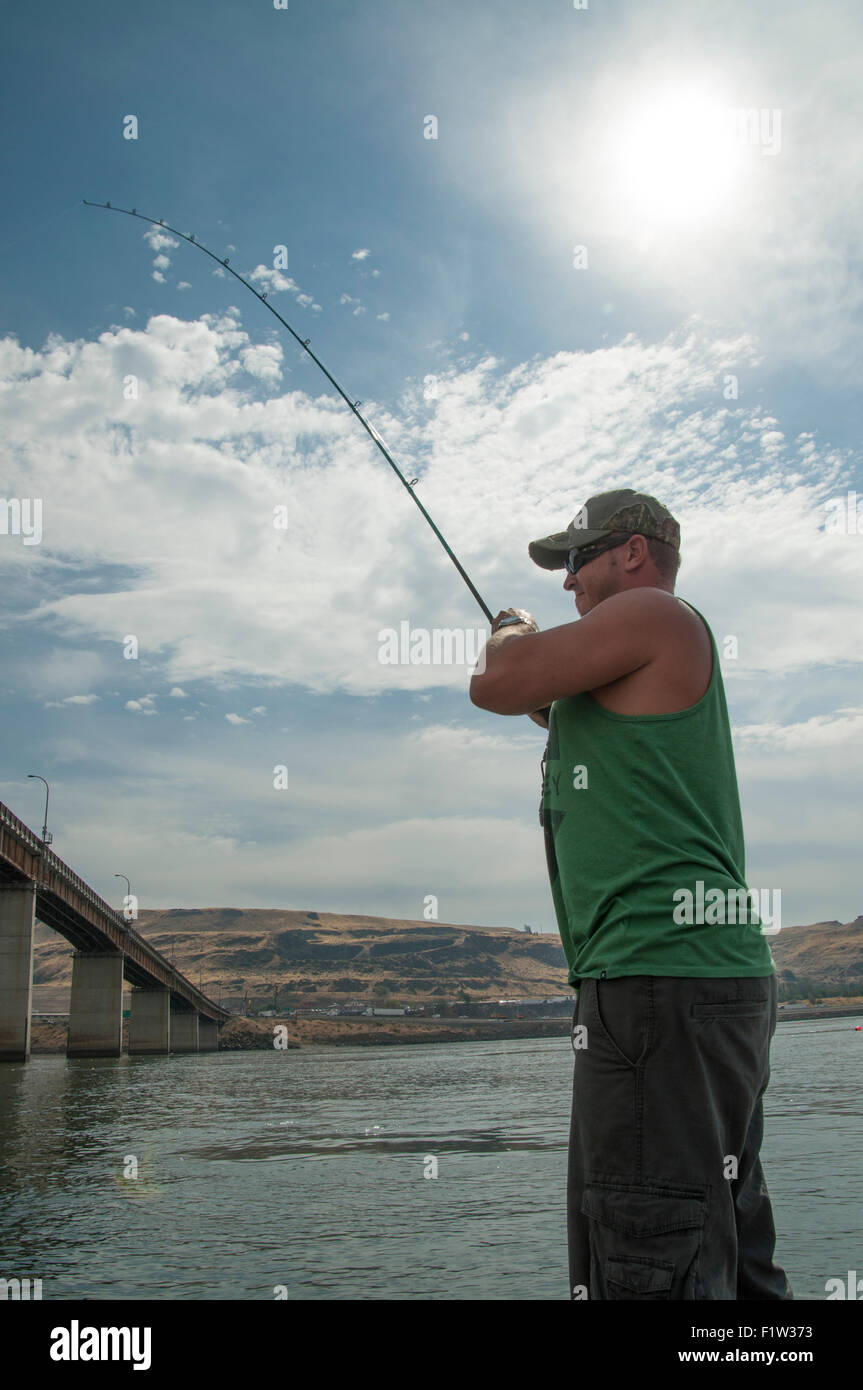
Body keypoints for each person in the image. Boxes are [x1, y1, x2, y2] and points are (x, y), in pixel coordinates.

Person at [469, 487, 792, 1301]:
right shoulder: (641, 654)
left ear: (633, 552)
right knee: (721, 1247)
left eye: (577, 561)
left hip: (657, 982)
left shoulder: (653, 612)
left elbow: (499, 681)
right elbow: (554, 704)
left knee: (647, 1256)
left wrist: (510, 629)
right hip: (694, 983)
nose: (568, 583)